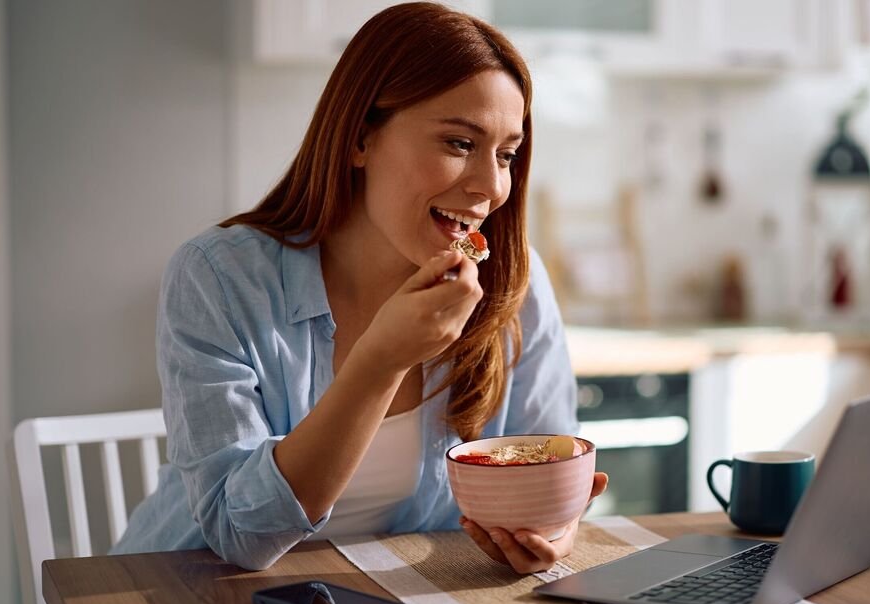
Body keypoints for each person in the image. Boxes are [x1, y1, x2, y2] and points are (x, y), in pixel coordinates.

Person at [112, 2, 608, 574]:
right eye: (459, 144)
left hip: (389, 596)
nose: (490, 186)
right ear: (359, 139)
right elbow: (239, 537)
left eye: (506, 154)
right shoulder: (218, 278)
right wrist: (381, 360)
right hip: (187, 592)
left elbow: (548, 468)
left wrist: (555, 526)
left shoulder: (513, 280)